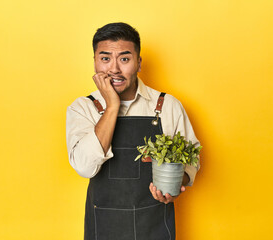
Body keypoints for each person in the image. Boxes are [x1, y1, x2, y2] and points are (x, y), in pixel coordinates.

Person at [66, 22, 200, 240]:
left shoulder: (167, 105)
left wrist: (175, 185)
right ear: (95, 62)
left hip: (155, 226)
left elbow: (191, 160)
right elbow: (84, 167)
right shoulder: (83, 108)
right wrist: (112, 107)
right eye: (105, 58)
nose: (114, 69)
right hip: (103, 227)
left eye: (125, 59)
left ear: (138, 63)